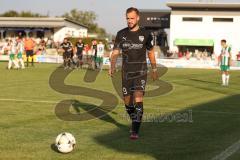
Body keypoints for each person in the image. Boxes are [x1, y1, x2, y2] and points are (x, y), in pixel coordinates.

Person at [109, 7, 158, 140]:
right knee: (128, 103)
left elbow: (151, 52)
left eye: (132, 18)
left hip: (141, 72)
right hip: (126, 73)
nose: (129, 21)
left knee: (138, 98)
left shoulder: (146, 34)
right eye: (127, 18)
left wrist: (154, 69)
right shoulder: (121, 34)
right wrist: (112, 66)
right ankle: (135, 121)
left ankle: (135, 131)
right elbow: (115, 53)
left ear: (138, 18)